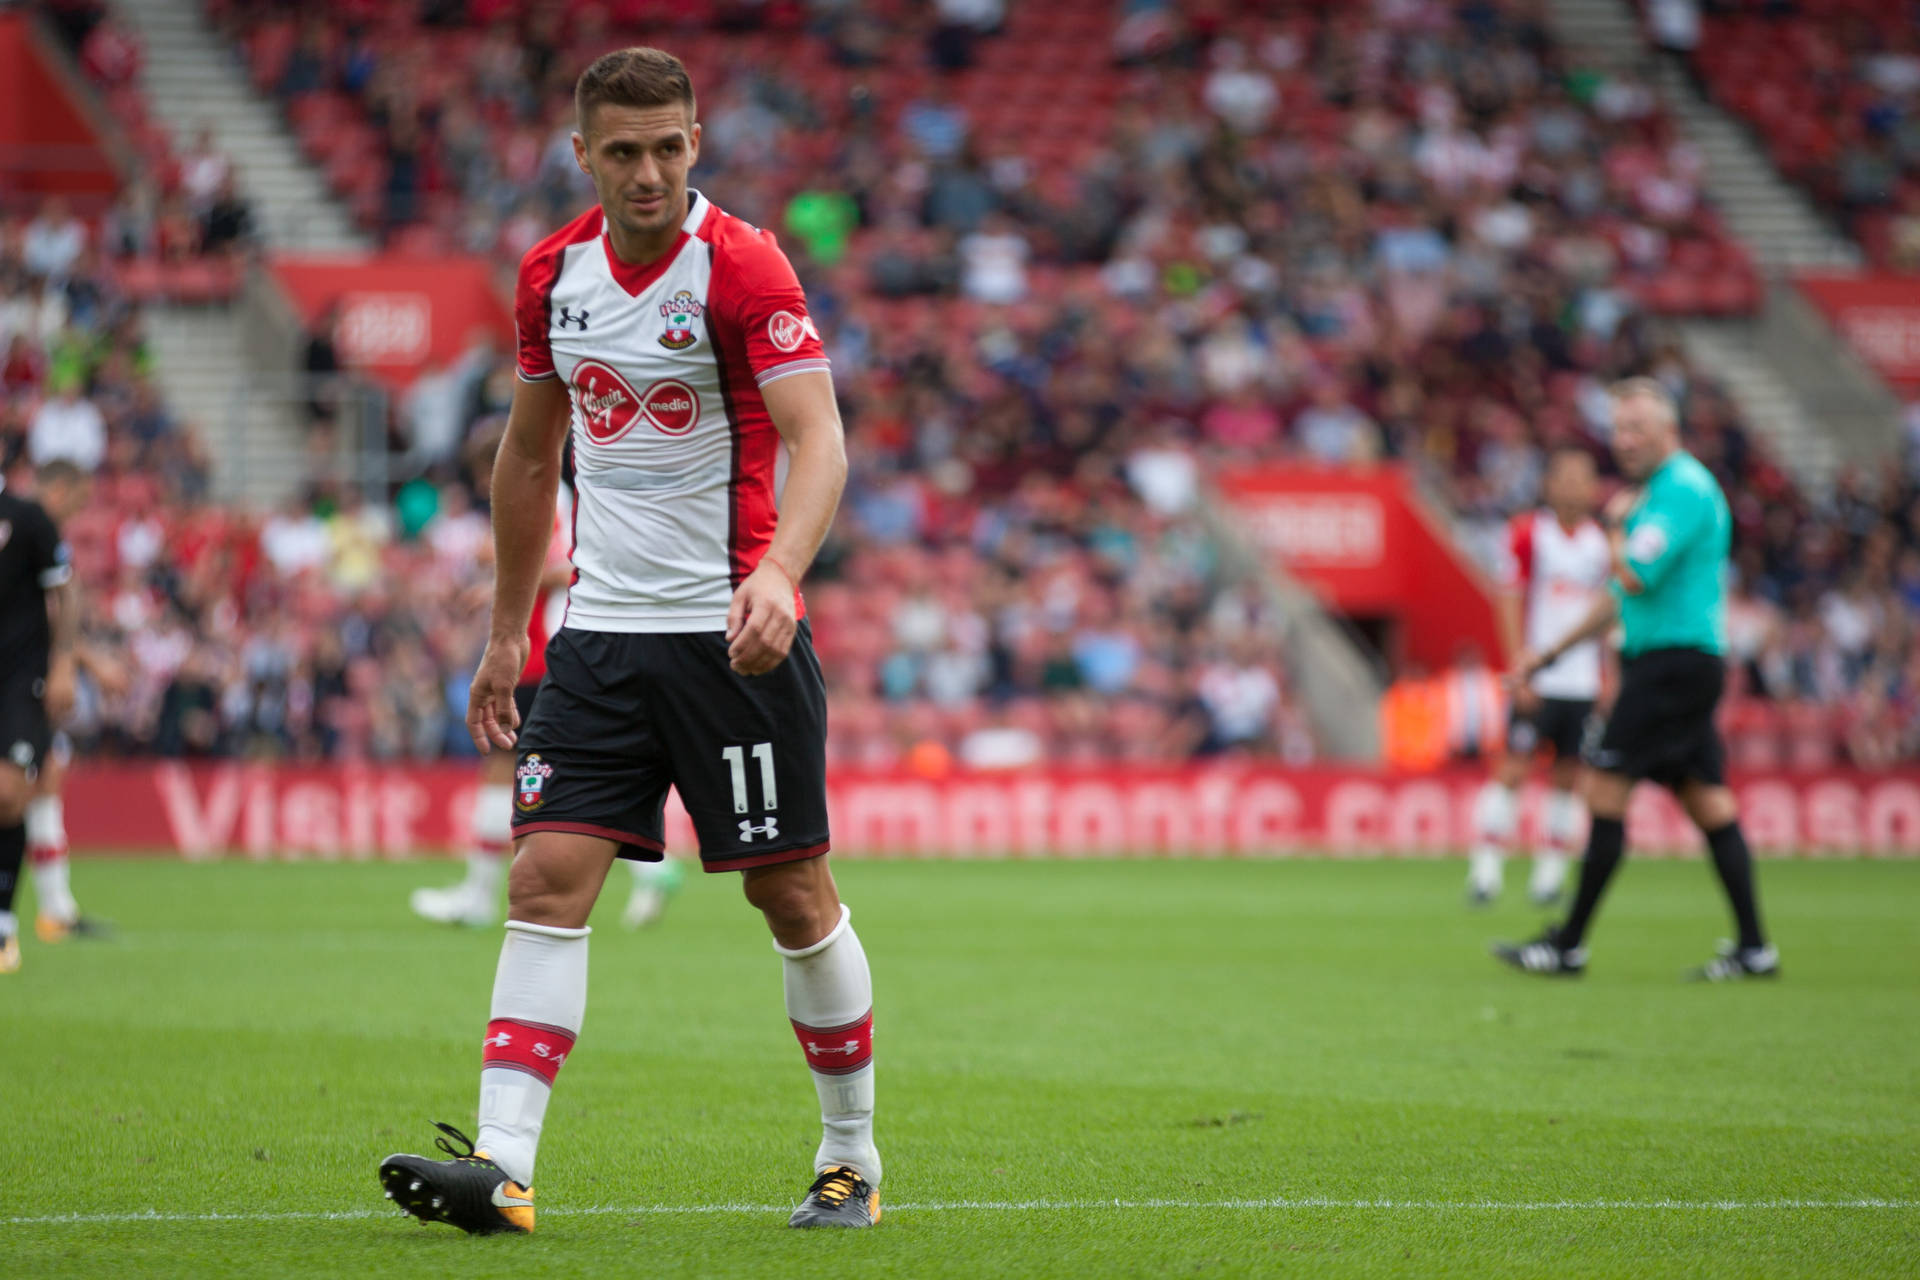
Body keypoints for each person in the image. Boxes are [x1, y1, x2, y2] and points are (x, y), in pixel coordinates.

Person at [378, 47, 875, 1233]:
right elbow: (529, 454)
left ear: (695, 143)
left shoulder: (743, 266)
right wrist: (510, 633)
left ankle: (850, 1156)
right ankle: (502, 1168)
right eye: (623, 150)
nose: (648, 172)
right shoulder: (554, 275)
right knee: (546, 877)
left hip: (730, 639)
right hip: (598, 636)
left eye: (668, 147)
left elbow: (822, 440)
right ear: (583, 153)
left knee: (791, 893)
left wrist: (780, 576)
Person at [1494, 379, 1776, 981]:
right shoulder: (1664, 491)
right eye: (1618, 429)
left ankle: (1568, 945)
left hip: (1669, 665)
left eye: (1637, 428)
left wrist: (1615, 526)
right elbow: (1619, 595)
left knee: (1602, 790)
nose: (1624, 441)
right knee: (1708, 802)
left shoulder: (1678, 490)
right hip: (1683, 662)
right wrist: (1547, 654)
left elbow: (1634, 575)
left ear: (1668, 431)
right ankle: (1755, 949)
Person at [409, 439, 684, 930]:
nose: (482, 487)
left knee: (513, 771)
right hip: (544, 654)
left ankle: (477, 896)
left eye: (483, 475)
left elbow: (571, 568)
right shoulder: (548, 498)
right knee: (549, 779)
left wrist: (501, 583)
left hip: (544, 654)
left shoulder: (549, 498)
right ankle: (649, 874)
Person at [1467, 446, 1610, 906]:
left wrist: (1607, 675)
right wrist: (1520, 668)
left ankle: (1549, 878)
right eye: (1565, 476)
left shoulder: (1603, 544)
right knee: (1513, 767)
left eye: (1582, 477)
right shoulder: (1530, 534)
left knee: (1569, 776)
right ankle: (1486, 872)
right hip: (1540, 678)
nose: (1573, 486)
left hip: (1582, 682)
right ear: (1548, 484)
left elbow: (1609, 614)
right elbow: (1509, 597)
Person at [0, 454, 85, 974]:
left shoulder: (27, 519)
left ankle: (6, 922)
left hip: (18, 678)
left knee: (10, 793)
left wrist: (66, 664)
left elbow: (65, 593)